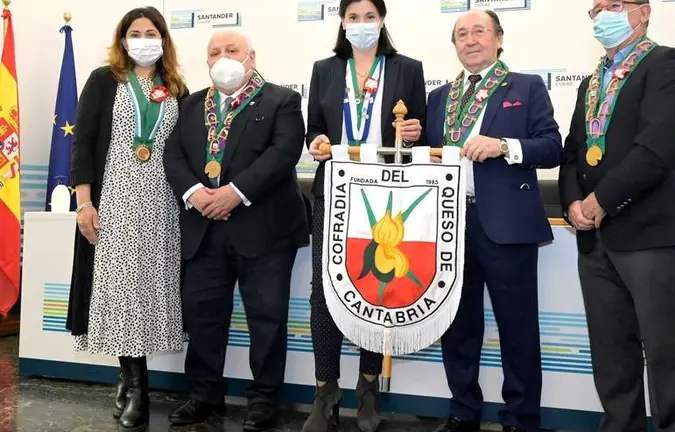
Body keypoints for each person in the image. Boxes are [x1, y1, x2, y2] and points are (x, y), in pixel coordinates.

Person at [557, 1, 675, 431]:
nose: (604, 15)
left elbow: (657, 148)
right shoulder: (590, 82)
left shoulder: (666, 63)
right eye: (596, 8)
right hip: (594, 239)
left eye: (614, 5)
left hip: (650, 230)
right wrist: (572, 204)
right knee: (610, 351)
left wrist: (600, 201)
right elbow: (572, 152)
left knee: (664, 351)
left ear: (643, 12)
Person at [162, 30, 309, 432]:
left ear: (251, 57)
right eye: (215, 52)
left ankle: (263, 399)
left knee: (266, 317)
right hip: (203, 227)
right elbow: (172, 154)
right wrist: (196, 193)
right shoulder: (191, 105)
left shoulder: (282, 100)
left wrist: (234, 193)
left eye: (232, 50)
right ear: (206, 61)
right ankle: (204, 394)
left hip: (264, 229)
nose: (223, 57)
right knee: (203, 315)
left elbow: (283, 153)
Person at [424, 9, 562, 432]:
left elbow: (552, 147)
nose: (470, 40)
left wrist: (504, 145)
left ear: (499, 39)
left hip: (506, 226)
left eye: (479, 31)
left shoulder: (526, 86)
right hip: (450, 226)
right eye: (461, 34)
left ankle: (520, 419)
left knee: (517, 328)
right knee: (457, 326)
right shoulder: (439, 98)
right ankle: (463, 411)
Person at [302, 0, 426, 431]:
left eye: (368, 17)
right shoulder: (325, 69)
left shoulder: (407, 68)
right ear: (342, 22)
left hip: (384, 198)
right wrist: (317, 140)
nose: (360, 25)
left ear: (381, 21)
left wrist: (413, 133)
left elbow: (420, 131)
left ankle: (368, 388)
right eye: (352, 17)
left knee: (377, 288)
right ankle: (325, 392)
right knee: (325, 291)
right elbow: (314, 127)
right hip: (334, 193)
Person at [66, 6, 188, 432]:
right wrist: (84, 203)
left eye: (150, 31)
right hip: (114, 201)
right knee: (121, 293)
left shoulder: (176, 87)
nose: (143, 38)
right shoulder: (104, 81)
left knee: (149, 293)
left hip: (162, 205)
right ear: (122, 40)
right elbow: (81, 144)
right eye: (134, 32)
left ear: (163, 39)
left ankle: (126, 378)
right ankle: (139, 387)